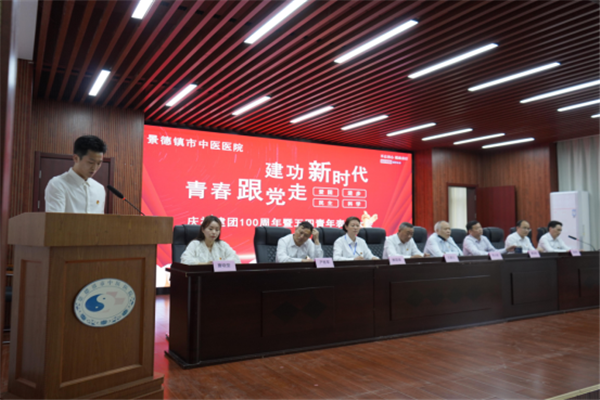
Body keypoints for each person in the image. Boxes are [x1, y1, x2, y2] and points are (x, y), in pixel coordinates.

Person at [45, 135, 107, 213]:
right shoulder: (58, 184)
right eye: (91, 162)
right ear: (76, 158)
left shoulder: (99, 189)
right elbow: (55, 219)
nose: (94, 168)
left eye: (99, 163)